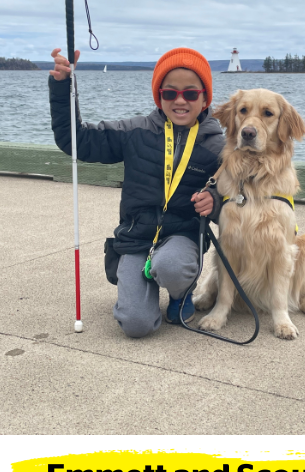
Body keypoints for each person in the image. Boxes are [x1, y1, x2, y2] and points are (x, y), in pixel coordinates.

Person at [48, 47, 225, 338]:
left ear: (205, 98)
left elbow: (236, 199)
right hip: (136, 239)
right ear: (159, 96)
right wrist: (63, 86)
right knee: (136, 326)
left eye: (191, 94)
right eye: (170, 93)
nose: (180, 101)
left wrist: (215, 202)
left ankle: (182, 293)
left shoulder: (219, 148)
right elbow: (77, 140)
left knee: (170, 265)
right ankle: (136, 282)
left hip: (183, 237)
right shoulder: (135, 131)